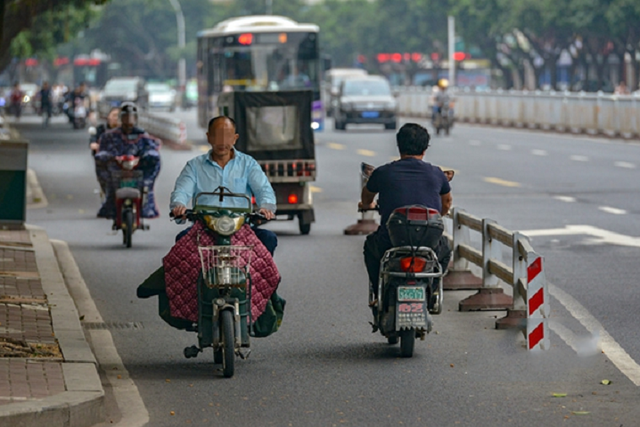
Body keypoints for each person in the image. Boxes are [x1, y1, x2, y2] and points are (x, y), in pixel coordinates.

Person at [360, 123, 452, 303]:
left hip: (390, 241)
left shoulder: (383, 172)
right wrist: (440, 214)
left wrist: (367, 204)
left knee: (370, 246)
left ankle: (378, 295)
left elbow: (366, 196)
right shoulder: (437, 173)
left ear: (399, 146)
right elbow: (447, 201)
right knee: (445, 248)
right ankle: (432, 291)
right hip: (428, 243)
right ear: (425, 149)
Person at [170, 115, 278, 255]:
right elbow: (182, 190)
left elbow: (263, 189)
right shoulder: (194, 166)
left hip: (242, 228)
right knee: (182, 240)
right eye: (217, 135)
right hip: (204, 229)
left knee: (269, 239)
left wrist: (266, 207)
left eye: (227, 136)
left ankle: (258, 278)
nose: (222, 141)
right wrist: (179, 206)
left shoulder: (248, 164)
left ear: (235, 138)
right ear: (209, 137)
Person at [94, 102, 161, 219]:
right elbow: (102, 151)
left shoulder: (143, 136)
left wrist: (146, 155)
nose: (128, 120)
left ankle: (145, 206)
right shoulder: (110, 136)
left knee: (149, 176)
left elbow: (152, 148)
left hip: (137, 168)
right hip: (116, 169)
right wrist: (110, 157)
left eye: (131, 117)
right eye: (125, 117)